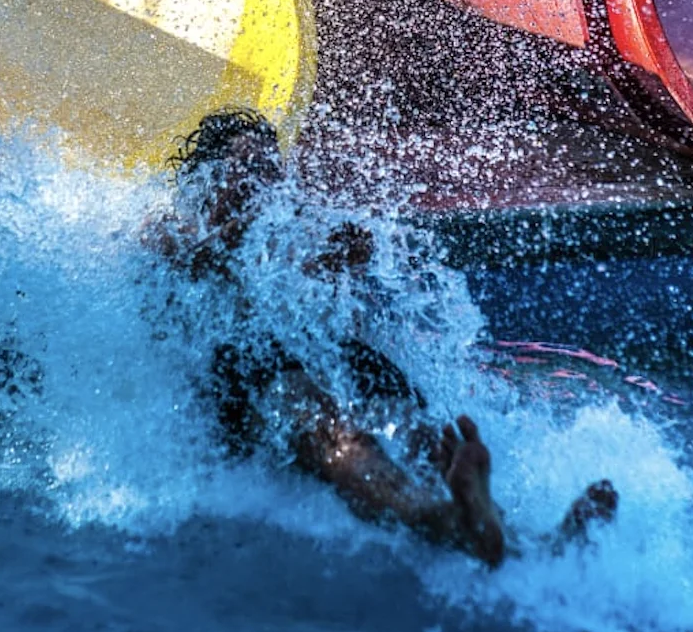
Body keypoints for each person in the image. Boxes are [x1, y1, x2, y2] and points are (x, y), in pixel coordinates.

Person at [143, 109, 618, 569]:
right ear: (206, 180)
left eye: (270, 170)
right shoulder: (169, 225)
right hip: (243, 370)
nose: (262, 184)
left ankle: (513, 534)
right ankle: (435, 515)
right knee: (336, 431)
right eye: (246, 170)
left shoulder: (282, 233)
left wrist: (336, 259)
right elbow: (189, 263)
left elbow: (314, 298)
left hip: (308, 352)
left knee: (420, 429)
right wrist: (244, 227)